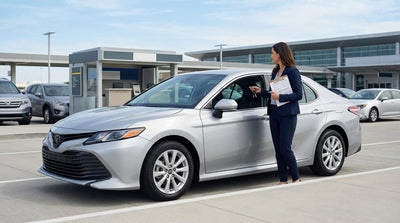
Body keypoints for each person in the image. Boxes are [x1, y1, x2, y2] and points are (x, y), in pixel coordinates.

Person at [249, 42, 303, 185]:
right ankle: (283, 180)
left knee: (285, 148)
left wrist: (281, 98)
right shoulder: (275, 71)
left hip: (288, 115)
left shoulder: (292, 71)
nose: (271, 55)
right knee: (278, 149)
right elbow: (274, 93)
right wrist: (261, 92)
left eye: (272, 52)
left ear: (280, 54)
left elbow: (298, 94)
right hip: (274, 113)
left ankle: (296, 178)